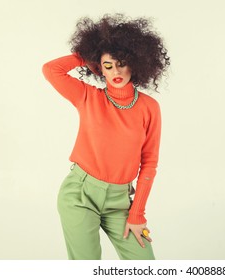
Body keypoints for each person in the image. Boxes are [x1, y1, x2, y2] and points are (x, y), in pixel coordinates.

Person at [42, 14, 170, 260]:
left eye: (122, 63)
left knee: (145, 264)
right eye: (108, 66)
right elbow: (51, 70)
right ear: (99, 68)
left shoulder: (149, 107)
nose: (116, 71)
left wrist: (137, 214)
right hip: (80, 195)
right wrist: (86, 56)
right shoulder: (87, 97)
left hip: (120, 202)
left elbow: (150, 163)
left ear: (136, 62)